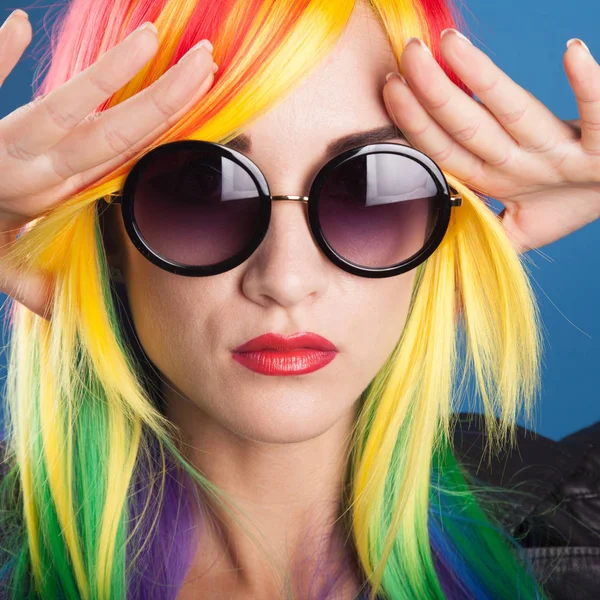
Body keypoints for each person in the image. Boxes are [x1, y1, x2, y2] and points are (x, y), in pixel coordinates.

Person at [0, 0, 598, 598]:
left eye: (368, 190)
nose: (285, 279)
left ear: (437, 221)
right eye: (199, 189)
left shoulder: (573, 527)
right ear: (106, 236)